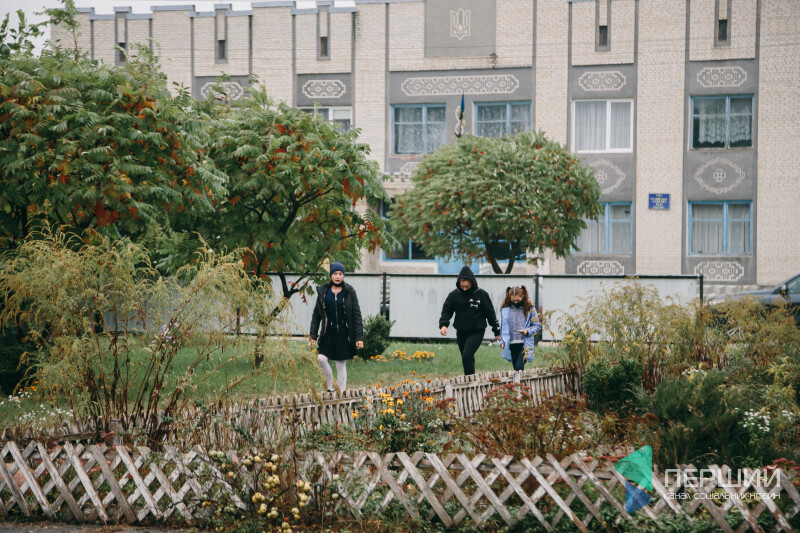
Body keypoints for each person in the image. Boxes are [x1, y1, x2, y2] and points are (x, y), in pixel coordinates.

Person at [309, 262, 364, 392]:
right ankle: (331, 386)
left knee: (340, 363)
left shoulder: (349, 292)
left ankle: (341, 391)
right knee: (321, 359)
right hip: (328, 332)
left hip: (343, 333)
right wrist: (312, 336)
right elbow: (316, 315)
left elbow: (356, 315)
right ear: (331, 275)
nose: (338, 276)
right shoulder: (323, 292)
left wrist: (359, 337)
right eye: (335, 274)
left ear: (343, 275)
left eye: (340, 274)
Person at [439, 266, 500, 376]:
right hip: (461, 331)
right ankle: (471, 379)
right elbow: (446, 310)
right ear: (458, 283)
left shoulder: (481, 294)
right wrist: (443, 325)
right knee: (467, 357)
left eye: (467, 286)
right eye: (462, 286)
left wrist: (496, 331)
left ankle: (469, 380)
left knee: (467, 355)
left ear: (472, 282)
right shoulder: (454, 295)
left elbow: (490, 314)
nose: (464, 289)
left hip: (477, 330)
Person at [499, 286, 541, 371]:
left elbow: (537, 326)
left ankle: (520, 379)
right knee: (517, 369)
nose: (515, 302)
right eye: (513, 300)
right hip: (511, 344)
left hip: (525, 344)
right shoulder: (505, 310)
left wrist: (527, 331)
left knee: (519, 366)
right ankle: (520, 380)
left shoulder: (530, 309)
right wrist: (502, 341)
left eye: (517, 300)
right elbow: (503, 328)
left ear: (523, 297)